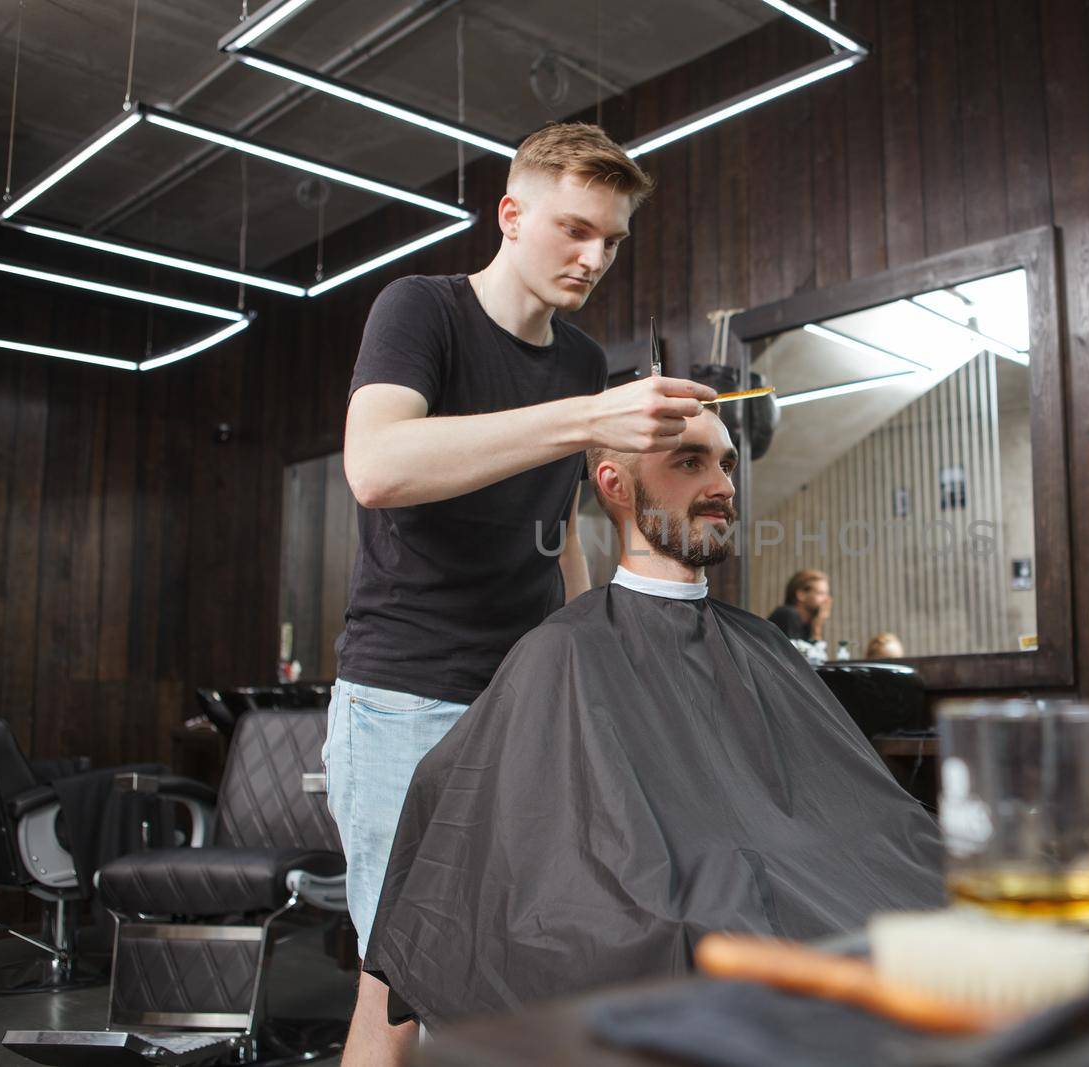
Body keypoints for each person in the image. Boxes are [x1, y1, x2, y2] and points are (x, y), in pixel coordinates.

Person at [327, 122, 718, 1065]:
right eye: (575, 229)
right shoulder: (421, 310)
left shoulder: (581, 360)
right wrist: (589, 416)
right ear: (511, 214)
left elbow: (561, 534)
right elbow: (376, 466)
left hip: (522, 705)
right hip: (403, 698)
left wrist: (597, 649)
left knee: (495, 980)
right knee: (408, 985)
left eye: (613, 240)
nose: (594, 258)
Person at [363, 409, 944, 1028]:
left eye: (727, 464)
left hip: (828, 900)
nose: (722, 486)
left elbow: (867, 820)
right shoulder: (565, 652)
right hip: (691, 930)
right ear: (614, 485)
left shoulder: (765, 647)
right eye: (690, 462)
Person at [767, 569, 831, 643]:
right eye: (821, 593)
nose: (827, 599)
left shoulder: (810, 622)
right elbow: (793, 653)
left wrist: (817, 627)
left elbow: (815, 653)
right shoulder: (788, 614)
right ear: (801, 595)